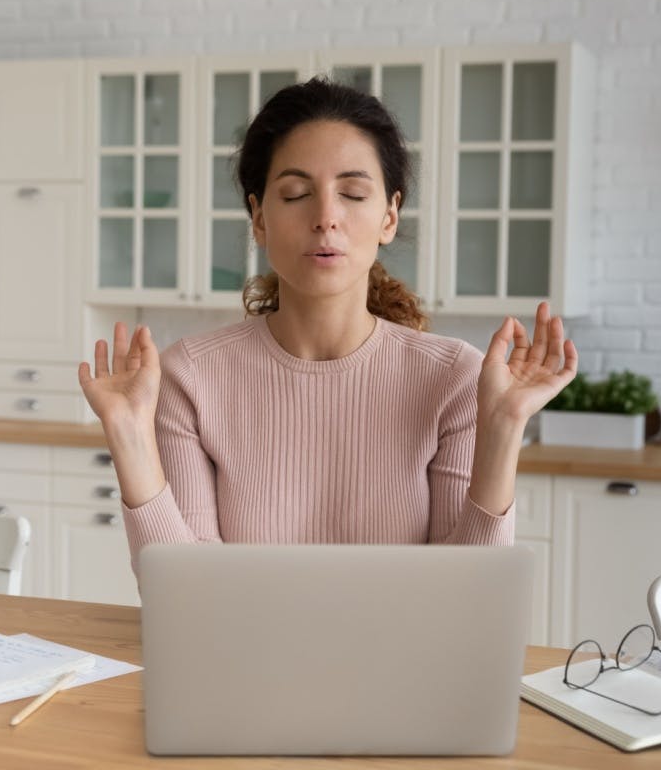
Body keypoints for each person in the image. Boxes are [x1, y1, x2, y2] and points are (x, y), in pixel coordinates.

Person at [79, 77, 577, 576]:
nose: (326, 217)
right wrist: (128, 433)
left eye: (353, 193)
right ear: (258, 218)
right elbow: (184, 595)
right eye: (295, 194)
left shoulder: (454, 379)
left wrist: (505, 427)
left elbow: (470, 601)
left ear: (389, 216)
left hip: (402, 656)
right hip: (246, 655)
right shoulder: (192, 376)